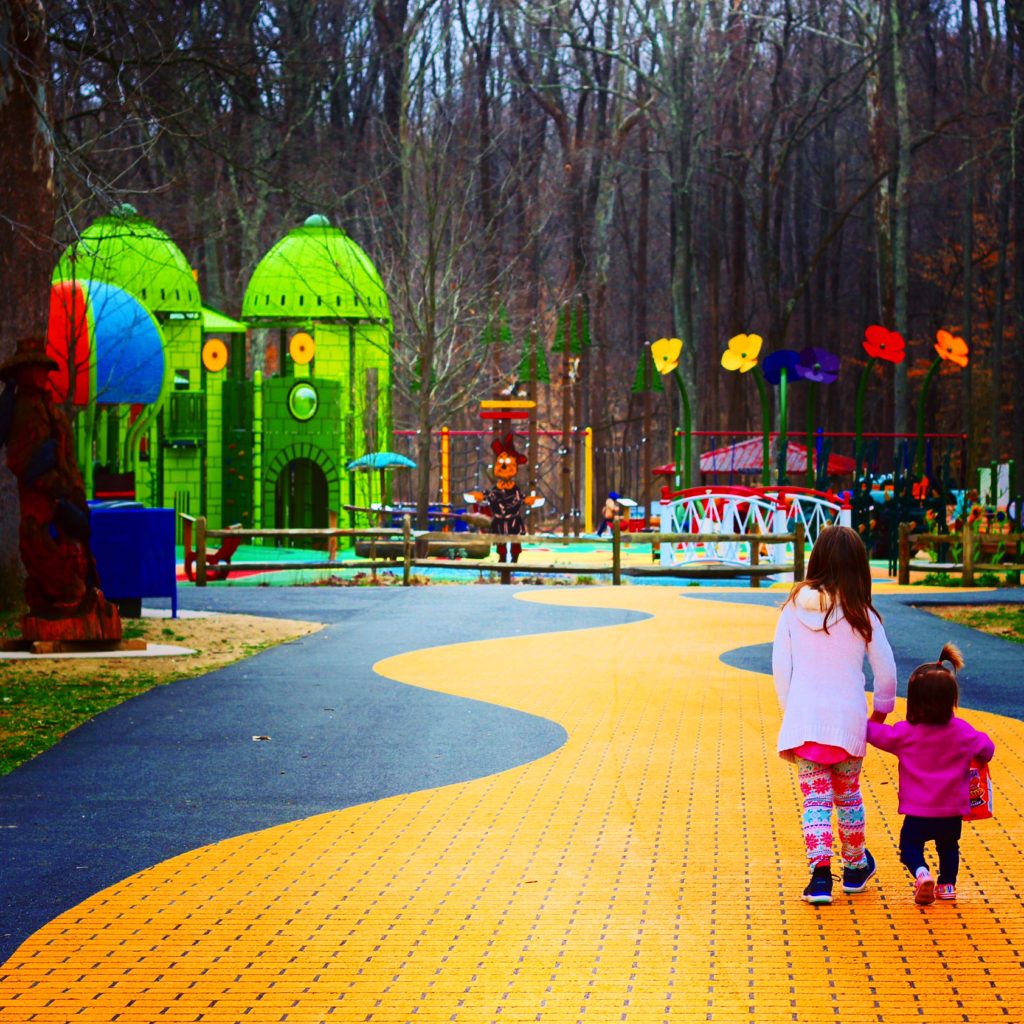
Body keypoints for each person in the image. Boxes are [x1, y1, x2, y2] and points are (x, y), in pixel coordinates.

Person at [772, 525, 897, 905]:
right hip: (848, 723)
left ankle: (821, 876)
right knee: (848, 797)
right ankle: (856, 867)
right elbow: (887, 671)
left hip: (805, 723)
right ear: (859, 569)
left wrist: (791, 712)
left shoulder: (792, 609)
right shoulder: (863, 614)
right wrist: (881, 712)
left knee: (815, 802)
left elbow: (781, 667)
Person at [867, 643, 994, 905]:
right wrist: (978, 745)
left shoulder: (905, 733)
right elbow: (987, 750)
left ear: (914, 701)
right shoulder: (962, 732)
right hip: (952, 810)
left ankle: (921, 872)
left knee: (910, 847)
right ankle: (947, 884)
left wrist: (868, 718)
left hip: (918, 811)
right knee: (949, 847)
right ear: (952, 700)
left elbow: (874, 734)